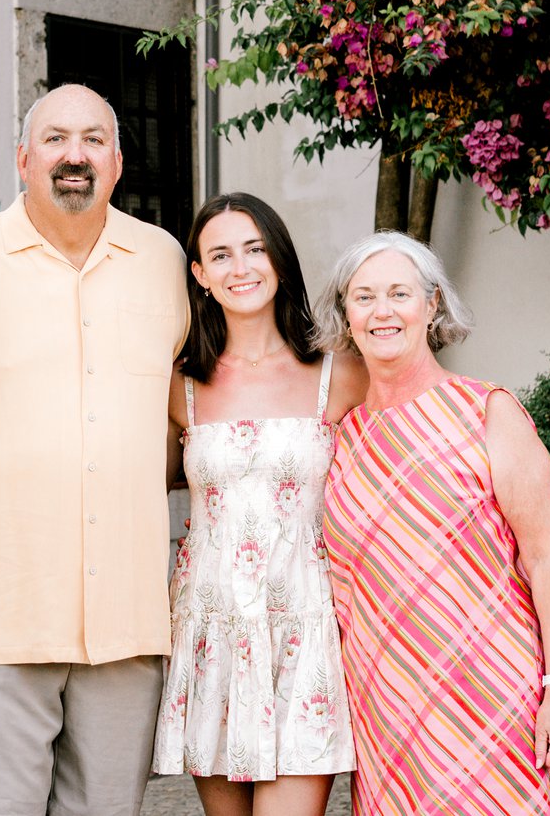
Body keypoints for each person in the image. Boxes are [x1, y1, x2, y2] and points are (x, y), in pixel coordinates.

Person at [0, 84, 189, 816]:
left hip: (127, 624)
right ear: (22, 159)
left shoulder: (163, 259)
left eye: (92, 140)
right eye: (54, 139)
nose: (74, 155)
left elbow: (190, 403)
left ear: (117, 163)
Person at [318, 232, 550, 816]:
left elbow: (548, 558)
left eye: (399, 293)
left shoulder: (488, 411)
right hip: (385, 710)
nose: (382, 311)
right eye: (364, 297)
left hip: (494, 696)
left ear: (432, 303)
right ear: (346, 314)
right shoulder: (342, 437)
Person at [154, 193, 366, 816]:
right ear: (200, 273)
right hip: (212, 629)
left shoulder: (341, 374)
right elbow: (138, 489)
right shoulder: (178, 385)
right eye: (220, 255)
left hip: (305, 626)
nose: (240, 267)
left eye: (254, 248)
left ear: (279, 259)